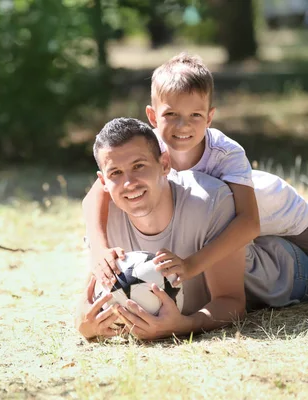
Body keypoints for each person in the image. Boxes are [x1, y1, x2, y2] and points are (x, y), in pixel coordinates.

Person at [82, 53, 308, 289]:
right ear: (152, 116)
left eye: (196, 115)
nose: (183, 126)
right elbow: (95, 195)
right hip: (249, 235)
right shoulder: (148, 148)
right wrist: (99, 249)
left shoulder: (225, 153)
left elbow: (248, 223)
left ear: (210, 117)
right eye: (171, 115)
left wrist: (190, 265)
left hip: (284, 216)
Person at [75, 118, 308, 340]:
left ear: (164, 163)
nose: (129, 183)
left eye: (139, 166)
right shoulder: (104, 226)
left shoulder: (210, 201)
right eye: (116, 173)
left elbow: (231, 301)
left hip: (288, 274)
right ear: (103, 182)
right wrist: (84, 325)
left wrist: (184, 326)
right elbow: (88, 301)